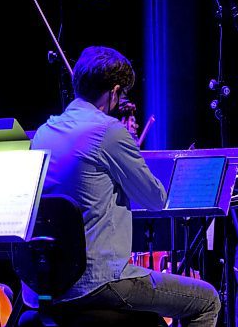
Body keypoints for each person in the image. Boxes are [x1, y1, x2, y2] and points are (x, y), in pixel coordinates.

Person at [30, 46, 221, 326]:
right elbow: (156, 199)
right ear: (114, 91)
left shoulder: (45, 131)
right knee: (207, 300)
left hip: (48, 281)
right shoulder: (108, 131)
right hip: (96, 280)